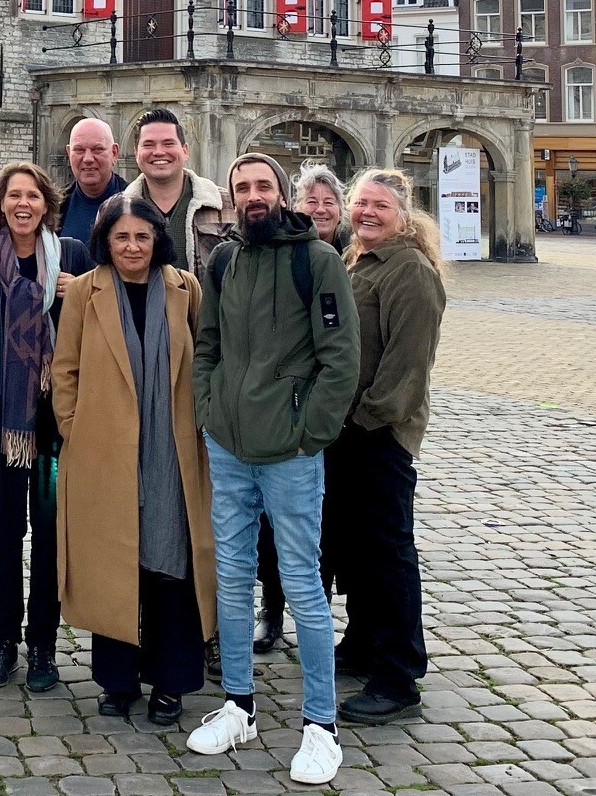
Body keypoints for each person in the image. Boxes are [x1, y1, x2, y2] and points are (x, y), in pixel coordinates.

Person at [187, 153, 360, 788]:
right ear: (231, 197)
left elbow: (341, 359)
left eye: (263, 186)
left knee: (303, 583)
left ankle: (321, 725)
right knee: (231, 579)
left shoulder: (317, 261)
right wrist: (209, 408)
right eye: (242, 187)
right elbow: (208, 344)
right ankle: (240, 704)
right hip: (230, 446)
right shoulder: (225, 260)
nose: (253, 196)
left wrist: (308, 431)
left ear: (282, 195)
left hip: (289, 451)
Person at [53, 194, 217, 727]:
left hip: (171, 450)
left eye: (141, 237)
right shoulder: (84, 291)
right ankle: (117, 681)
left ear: (157, 240)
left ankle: (171, 681)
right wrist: (74, 429)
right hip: (103, 449)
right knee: (113, 562)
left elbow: (203, 353)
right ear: (106, 241)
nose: (131, 246)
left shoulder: (183, 288)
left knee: (172, 562)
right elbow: (65, 368)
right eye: (121, 237)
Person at [0, 161, 92, 692]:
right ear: (1, 203)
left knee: (52, 536)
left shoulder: (72, 255)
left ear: (47, 203)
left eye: (33, 196)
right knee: (1, 534)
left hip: (55, 424)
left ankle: (44, 649)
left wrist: (79, 294)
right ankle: (2, 641)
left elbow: (97, 330)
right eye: (14, 196)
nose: (23, 205)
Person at [323, 169, 447, 726]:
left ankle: (398, 674)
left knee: (388, 552)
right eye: (360, 204)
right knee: (356, 549)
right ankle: (363, 641)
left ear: (402, 213)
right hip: (347, 431)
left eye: (379, 205)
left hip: (380, 434)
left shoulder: (410, 271)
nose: (367, 213)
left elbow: (406, 366)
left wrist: (366, 419)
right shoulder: (358, 260)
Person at [250, 164, 352, 657]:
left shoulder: (353, 257)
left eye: (329, 202)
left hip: (333, 417)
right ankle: (271, 608)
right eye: (311, 201)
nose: (320, 209)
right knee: (274, 525)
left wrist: (322, 419)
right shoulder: (287, 254)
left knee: (328, 524)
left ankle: (320, 609)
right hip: (285, 414)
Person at [122, 108, 233, 279]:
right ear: (136, 153)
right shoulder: (117, 210)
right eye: (149, 144)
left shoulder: (225, 204)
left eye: (168, 143)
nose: (158, 152)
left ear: (185, 150)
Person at [59, 117, 127, 243]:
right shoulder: (53, 207)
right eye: (79, 150)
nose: (88, 159)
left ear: (114, 153)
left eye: (97, 149)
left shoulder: (137, 202)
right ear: (69, 153)